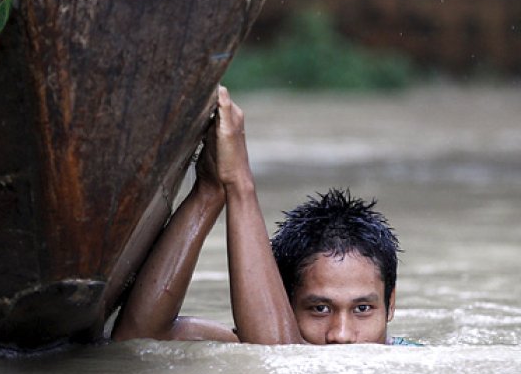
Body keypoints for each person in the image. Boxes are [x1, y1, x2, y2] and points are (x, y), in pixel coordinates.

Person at [112, 86, 401, 345]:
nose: (341, 335)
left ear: (390, 304)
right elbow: (138, 340)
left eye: (363, 309)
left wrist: (239, 182)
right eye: (320, 309)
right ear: (283, 302)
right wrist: (209, 191)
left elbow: (276, 358)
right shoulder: (257, 340)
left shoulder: (410, 365)